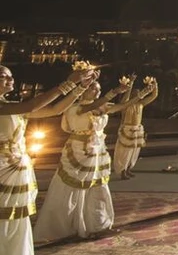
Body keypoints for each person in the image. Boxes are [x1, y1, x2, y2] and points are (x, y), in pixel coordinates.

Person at [0, 64, 95, 255]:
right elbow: (31, 106)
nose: (9, 79)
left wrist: (78, 89)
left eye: (10, 75)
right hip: (2, 172)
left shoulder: (11, 106)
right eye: (3, 76)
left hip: (15, 173)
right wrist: (68, 82)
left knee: (15, 230)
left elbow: (53, 110)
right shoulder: (6, 107)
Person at [33, 73, 135, 243]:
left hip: (97, 151)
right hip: (78, 150)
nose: (96, 91)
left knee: (97, 186)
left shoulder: (102, 107)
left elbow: (122, 106)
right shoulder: (74, 108)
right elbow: (88, 108)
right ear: (84, 90)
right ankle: (63, 228)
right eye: (93, 88)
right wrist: (114, 91)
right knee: (71, 187)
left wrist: (136, 91)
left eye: (98, 89)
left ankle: (97, 225)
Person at [112, 76, 159, 180]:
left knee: (134, 152)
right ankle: (122, 170)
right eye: (135, 93)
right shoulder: (126, 105)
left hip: (137, 130)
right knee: (124, 152)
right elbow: (125, 99)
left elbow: (154, 95)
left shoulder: (141, 104)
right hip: (126, 130)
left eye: (139, 93)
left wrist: (155, 85)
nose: (138, 95)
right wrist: (131, 83)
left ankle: (128, 168)